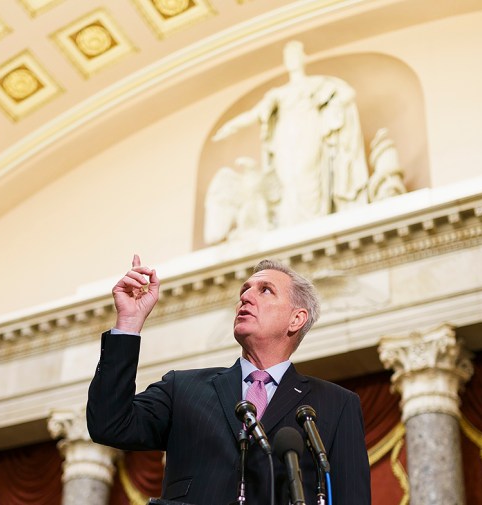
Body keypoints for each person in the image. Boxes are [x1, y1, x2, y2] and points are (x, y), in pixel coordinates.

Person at [87, 255, 370, 505]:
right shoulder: (182, 389)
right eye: (244, 290)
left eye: (265, 290)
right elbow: (110, 424)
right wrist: (128, 324)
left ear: (296, 319)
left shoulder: (336, 404)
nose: (246, 297)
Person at [211, 41, 370, 227]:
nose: (292, 60)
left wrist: (332, 107)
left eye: (295, 55)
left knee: (307, 170)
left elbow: (348, 93)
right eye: (288, 57)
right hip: (285, 138)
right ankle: (291, 223)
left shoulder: (316, 84)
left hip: (309, 130)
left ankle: (314, 218)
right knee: (288, 178)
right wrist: (231, 126)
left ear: (303, 58)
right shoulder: (279, 94)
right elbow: (254, 114)